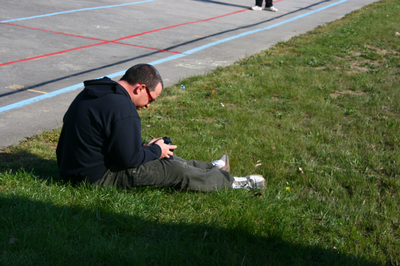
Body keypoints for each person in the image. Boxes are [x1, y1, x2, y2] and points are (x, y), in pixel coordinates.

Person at [56, 63, 265, 192]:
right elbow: (129, 160)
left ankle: (210, 167)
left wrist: (150, 149)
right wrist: (154, 150)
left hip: (73, 168)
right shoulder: (124, 108)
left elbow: (110, 142)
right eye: (151, 99)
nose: (147, 105)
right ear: (140, 87)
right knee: (171, 169)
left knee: (162, 155)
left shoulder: (99, 90)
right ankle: (234, 183)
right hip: (94, 177)